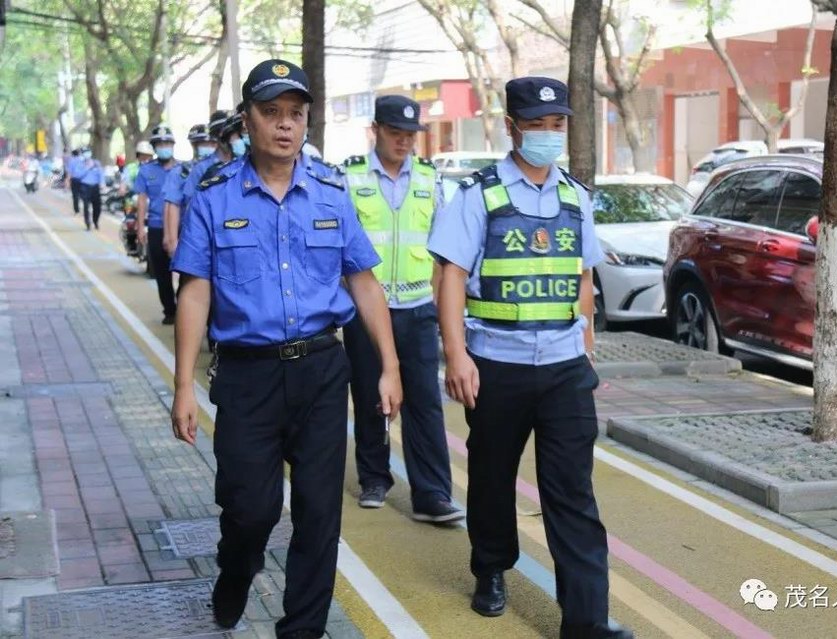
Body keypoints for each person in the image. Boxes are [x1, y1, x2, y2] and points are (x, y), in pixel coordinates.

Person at [170, 59, 402, 639]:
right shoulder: (214, 197)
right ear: (247, 120)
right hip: (247, 377)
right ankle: (236, 570)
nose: (284, 126)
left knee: (321, 514)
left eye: (295, 115)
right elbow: (195, 293)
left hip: (324, 370)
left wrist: (390, 367)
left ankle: (302, 630)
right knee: (252, 511)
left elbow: (364, 281)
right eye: (270, 113)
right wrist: (181, 388)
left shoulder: (330, 191)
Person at [428, 77, 632, 639]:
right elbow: (451, 276)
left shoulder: (576, 196)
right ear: (512, 127)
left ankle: (586, 619)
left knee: (572, 490)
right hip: (497, 361)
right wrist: (456, 356)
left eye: (556, 124)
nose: (547, 134)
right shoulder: (479, 193)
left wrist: (586, 348)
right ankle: (491, 568)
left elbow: (583, 276)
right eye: (536, 124)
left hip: (565, 366)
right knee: (493, 475)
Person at [341, 95, 461, 523]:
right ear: (376, 129)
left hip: (416, 308)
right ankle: (375, 477)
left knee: (425, 401)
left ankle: (432, 494)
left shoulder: (432, 181)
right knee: (373, 394)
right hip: (366, 311)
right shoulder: (350, 178)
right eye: (396, 133)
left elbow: (445, 254)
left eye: (411, 135)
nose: (404, 142)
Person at [135, 125, 181, 325]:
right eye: (160, 144)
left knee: (188, 271)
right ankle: (170, 311)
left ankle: (185, 306)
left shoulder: (183, 169)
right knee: (162, 273)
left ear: (173, 145)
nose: (164, 147)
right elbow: (142, 200)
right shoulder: (146, 171)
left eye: (167, 143)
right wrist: (139, 227)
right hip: (155, 226)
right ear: (154, 147)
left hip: (181, 228)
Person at [162, 123, 217, 256]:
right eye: (203, 143)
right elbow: (172, 205)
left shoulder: (225, 168)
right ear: (194, 145)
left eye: (211, 143)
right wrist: (172, 240)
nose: (208, 147)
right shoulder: (181, 172)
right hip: (191, 233)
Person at [76, 147, 104, 230]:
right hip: (85, 187)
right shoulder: (80, 164)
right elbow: (78, 175)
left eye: (88, 152)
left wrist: (102, 183)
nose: (86, 154)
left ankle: (95, 221)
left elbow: (101, 174)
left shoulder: (96, 163)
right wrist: (87, 168)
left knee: (97, 206)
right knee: (86, 206)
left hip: (95, 187)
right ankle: (87, 223)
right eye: (85, 152)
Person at [66, 149, 84, 214]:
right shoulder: (83, 160)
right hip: (83, 180)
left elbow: (69, 172)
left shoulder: (71, 161)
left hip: (75, 180)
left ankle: (77, 210)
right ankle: (86, 208)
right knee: (83, 194)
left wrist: (67, 181)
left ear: (72, 154)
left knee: (75, 195)